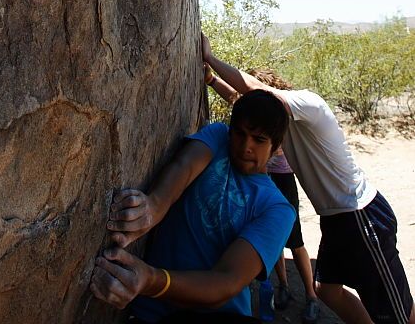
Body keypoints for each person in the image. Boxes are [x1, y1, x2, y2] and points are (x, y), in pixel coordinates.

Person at [202, 34, 415, 324]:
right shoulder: (282, 126)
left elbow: (253, 91)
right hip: (337, 218)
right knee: (325, 290)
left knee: (394, 312)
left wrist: (210, 56)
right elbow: (243, 104)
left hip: (361, 215)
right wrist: (213, 80)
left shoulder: (310, 104)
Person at [91, 89, 296, 322]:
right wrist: (153, 207)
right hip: (152, 313)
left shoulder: (277, 210)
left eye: (259, 140)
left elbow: (225, 281)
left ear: (276, 145)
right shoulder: (219, 137)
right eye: (240, 133)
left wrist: (151, 280)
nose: (245, 146)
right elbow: (184, 166)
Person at [205, 64, 320, 323]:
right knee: (272, 240)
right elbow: (235, 99)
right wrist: (212, 80)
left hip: (283, 178)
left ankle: (311, 294)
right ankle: (283, 286)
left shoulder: (281, 117)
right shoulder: (264, 116)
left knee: (295, 239)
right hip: (265, 176)